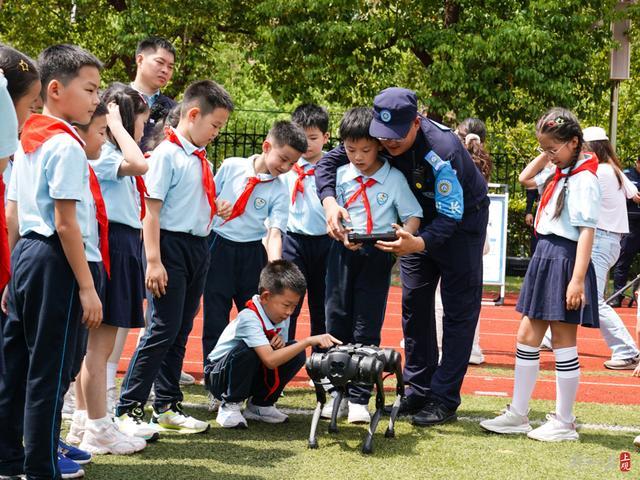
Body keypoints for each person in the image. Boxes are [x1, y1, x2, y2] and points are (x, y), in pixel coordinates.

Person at [316, 87, 489, 426]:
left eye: (396, 136)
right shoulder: (376, 134)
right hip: (411, 225)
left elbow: (451, 217)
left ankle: (443, 398)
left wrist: (419, 244)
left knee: (457, 312)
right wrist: (329, 202)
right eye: (383, 137)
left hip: (459, 228)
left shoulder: (443, 150)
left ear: (416, 122)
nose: (388, 144)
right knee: (414, 306)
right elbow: (329, 162)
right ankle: (418, 388)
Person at [0, 44, 104, 480]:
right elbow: (66, 224)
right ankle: (40, 467)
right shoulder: (65, 145)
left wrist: (13, 274)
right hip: (58, 261)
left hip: (27, 255)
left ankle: (8, 458)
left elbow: (12, 211)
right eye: (91, 88)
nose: (97, 98)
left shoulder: (27, 139)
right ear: (56, 89)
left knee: (16, 366)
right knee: (49, 370)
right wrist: (86, 286)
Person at [115, 80, 233, 436]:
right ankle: (128, 407)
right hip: (169, 247)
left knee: (179, 329)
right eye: (215, 125)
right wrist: (153, 261)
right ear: (193, 114)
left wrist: (216, 210)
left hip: (198, 247)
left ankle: (166, 405)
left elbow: (191, 206)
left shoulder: (199, 159)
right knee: (162, 329)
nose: (216, 133)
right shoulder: (167, 155)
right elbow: (151, 211)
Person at [480, 108, 600, 442]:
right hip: (546, 254)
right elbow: (524, 178)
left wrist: (576, 280)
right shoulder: (560, 171)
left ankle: (564, 421)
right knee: (527, 337)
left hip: (565, 258)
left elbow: (587, 232)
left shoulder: (584, 178)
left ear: (574, 142)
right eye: (544, 149)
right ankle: (519, 414)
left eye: (553, 149)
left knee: (563, 340)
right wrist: (547, 152)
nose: (547, 155)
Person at [321, 107, 422, 424]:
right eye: (351, 150)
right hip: (342, 252)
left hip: (376, 254)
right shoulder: (339, 177)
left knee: (366, 325)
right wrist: (335, 229)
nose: (358, 157)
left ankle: (358, 399)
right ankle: (333, 392)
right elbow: (329, 214)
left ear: (379, 144)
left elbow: (413, 214)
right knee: (336, 320)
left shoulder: (393, 179)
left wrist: (406, 235)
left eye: (365, 149)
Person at [201, 120, 306, 378]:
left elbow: (274, 231)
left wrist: (276, 268)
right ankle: (214, 375)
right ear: (267, 146)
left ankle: (259, 382)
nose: (285, 167)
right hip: (219, 246)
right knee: (215, 316)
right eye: (283, 159)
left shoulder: (281, 187)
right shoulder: (232, 166)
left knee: (260, 316)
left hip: (251, 253)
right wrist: (216, 205)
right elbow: (207, 197)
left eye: (292, 163)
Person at [540, 126, 640, 370]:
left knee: (593, 298)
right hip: (610, 240)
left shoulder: (598, 171)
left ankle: (627, 350)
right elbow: (635, 194)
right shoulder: (614, 170)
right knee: (574, 289)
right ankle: (552, 336)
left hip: (599, 239)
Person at [206, 260, 341, 428]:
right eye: (286, 305)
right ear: (265, 297)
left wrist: (281, 344)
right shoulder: (249, 317)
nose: (289, 312)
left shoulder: (280, 314)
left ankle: (261, 404)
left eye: (294, 306)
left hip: (249, 370)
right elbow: (270, 360)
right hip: (218, 376)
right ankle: (230, 405)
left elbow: (277, 355)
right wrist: (308, 341)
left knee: (294, 352)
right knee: (248, 351)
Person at [281, 104, 331, 343]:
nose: (308, 144)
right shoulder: (285, 167)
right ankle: (284, 355)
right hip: (292, 241)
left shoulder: (333, 169)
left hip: (325, 242)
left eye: (313, 138)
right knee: (289, 302)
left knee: (322, 305)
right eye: (303, 137)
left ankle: (321, 363)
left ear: (326, 138)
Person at [130, 36, 177, 151]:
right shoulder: (115, 100)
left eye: (170, 67)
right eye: (160, 62)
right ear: (140, 60)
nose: (165, 70)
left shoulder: (175, 111)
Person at [610, 156, 640, 308]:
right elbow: (617, 196)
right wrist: (632, 199)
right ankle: (618, 295)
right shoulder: (627, 175)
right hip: (632, 225)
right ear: (637, 163)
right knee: (623, 261)